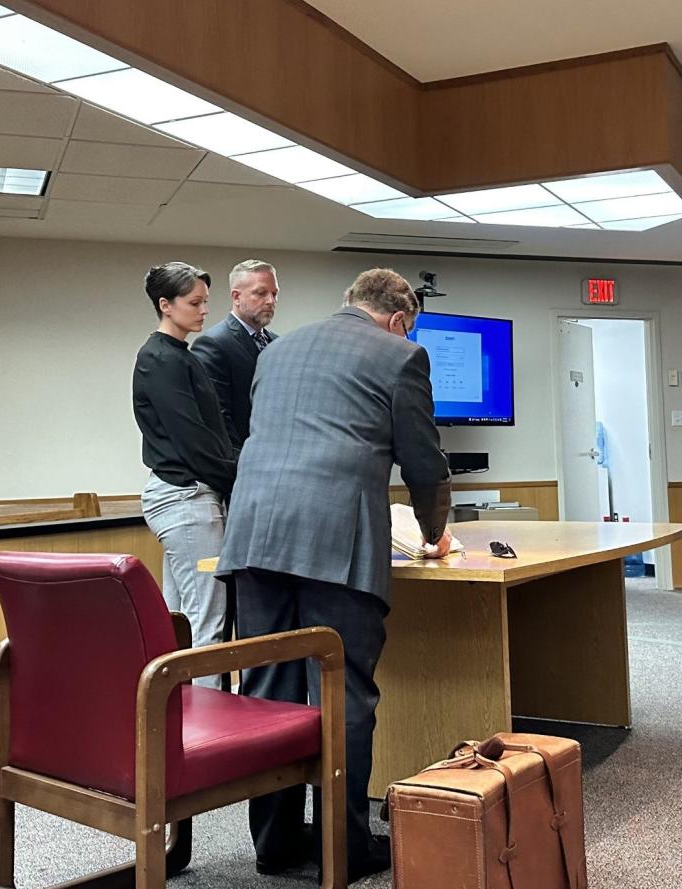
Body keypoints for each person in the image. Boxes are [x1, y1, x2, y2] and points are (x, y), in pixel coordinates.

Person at [216, 267, 452, 881]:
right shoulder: (402, 354)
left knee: (268, 688)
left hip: (253, 533)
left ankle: (273, 845)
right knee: (343, 691)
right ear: (400, 318)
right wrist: (433, 534)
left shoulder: (278, 348)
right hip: (336, 541)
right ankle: (341, 849)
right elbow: (424, 465)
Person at [132, 262, 236, 687]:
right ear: (165, 305)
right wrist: (242, 479)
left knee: (180, 627)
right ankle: (208, 734)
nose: (204, 311)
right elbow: (195, 443)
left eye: (205, 302)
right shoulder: (160, 360)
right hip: (185, 497)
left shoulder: (180, 357)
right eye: (194, 303)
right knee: (206, 626)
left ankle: (180, 730)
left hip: (185, 497)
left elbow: (211, 435)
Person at [190, 259, 280, 451]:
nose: (270, 301)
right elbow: (216, 417)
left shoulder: (277, 343)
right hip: (239, 461)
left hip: (275, 454)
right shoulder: (213, 344)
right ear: (236, 297)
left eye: (274, 293)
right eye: (261, 293)